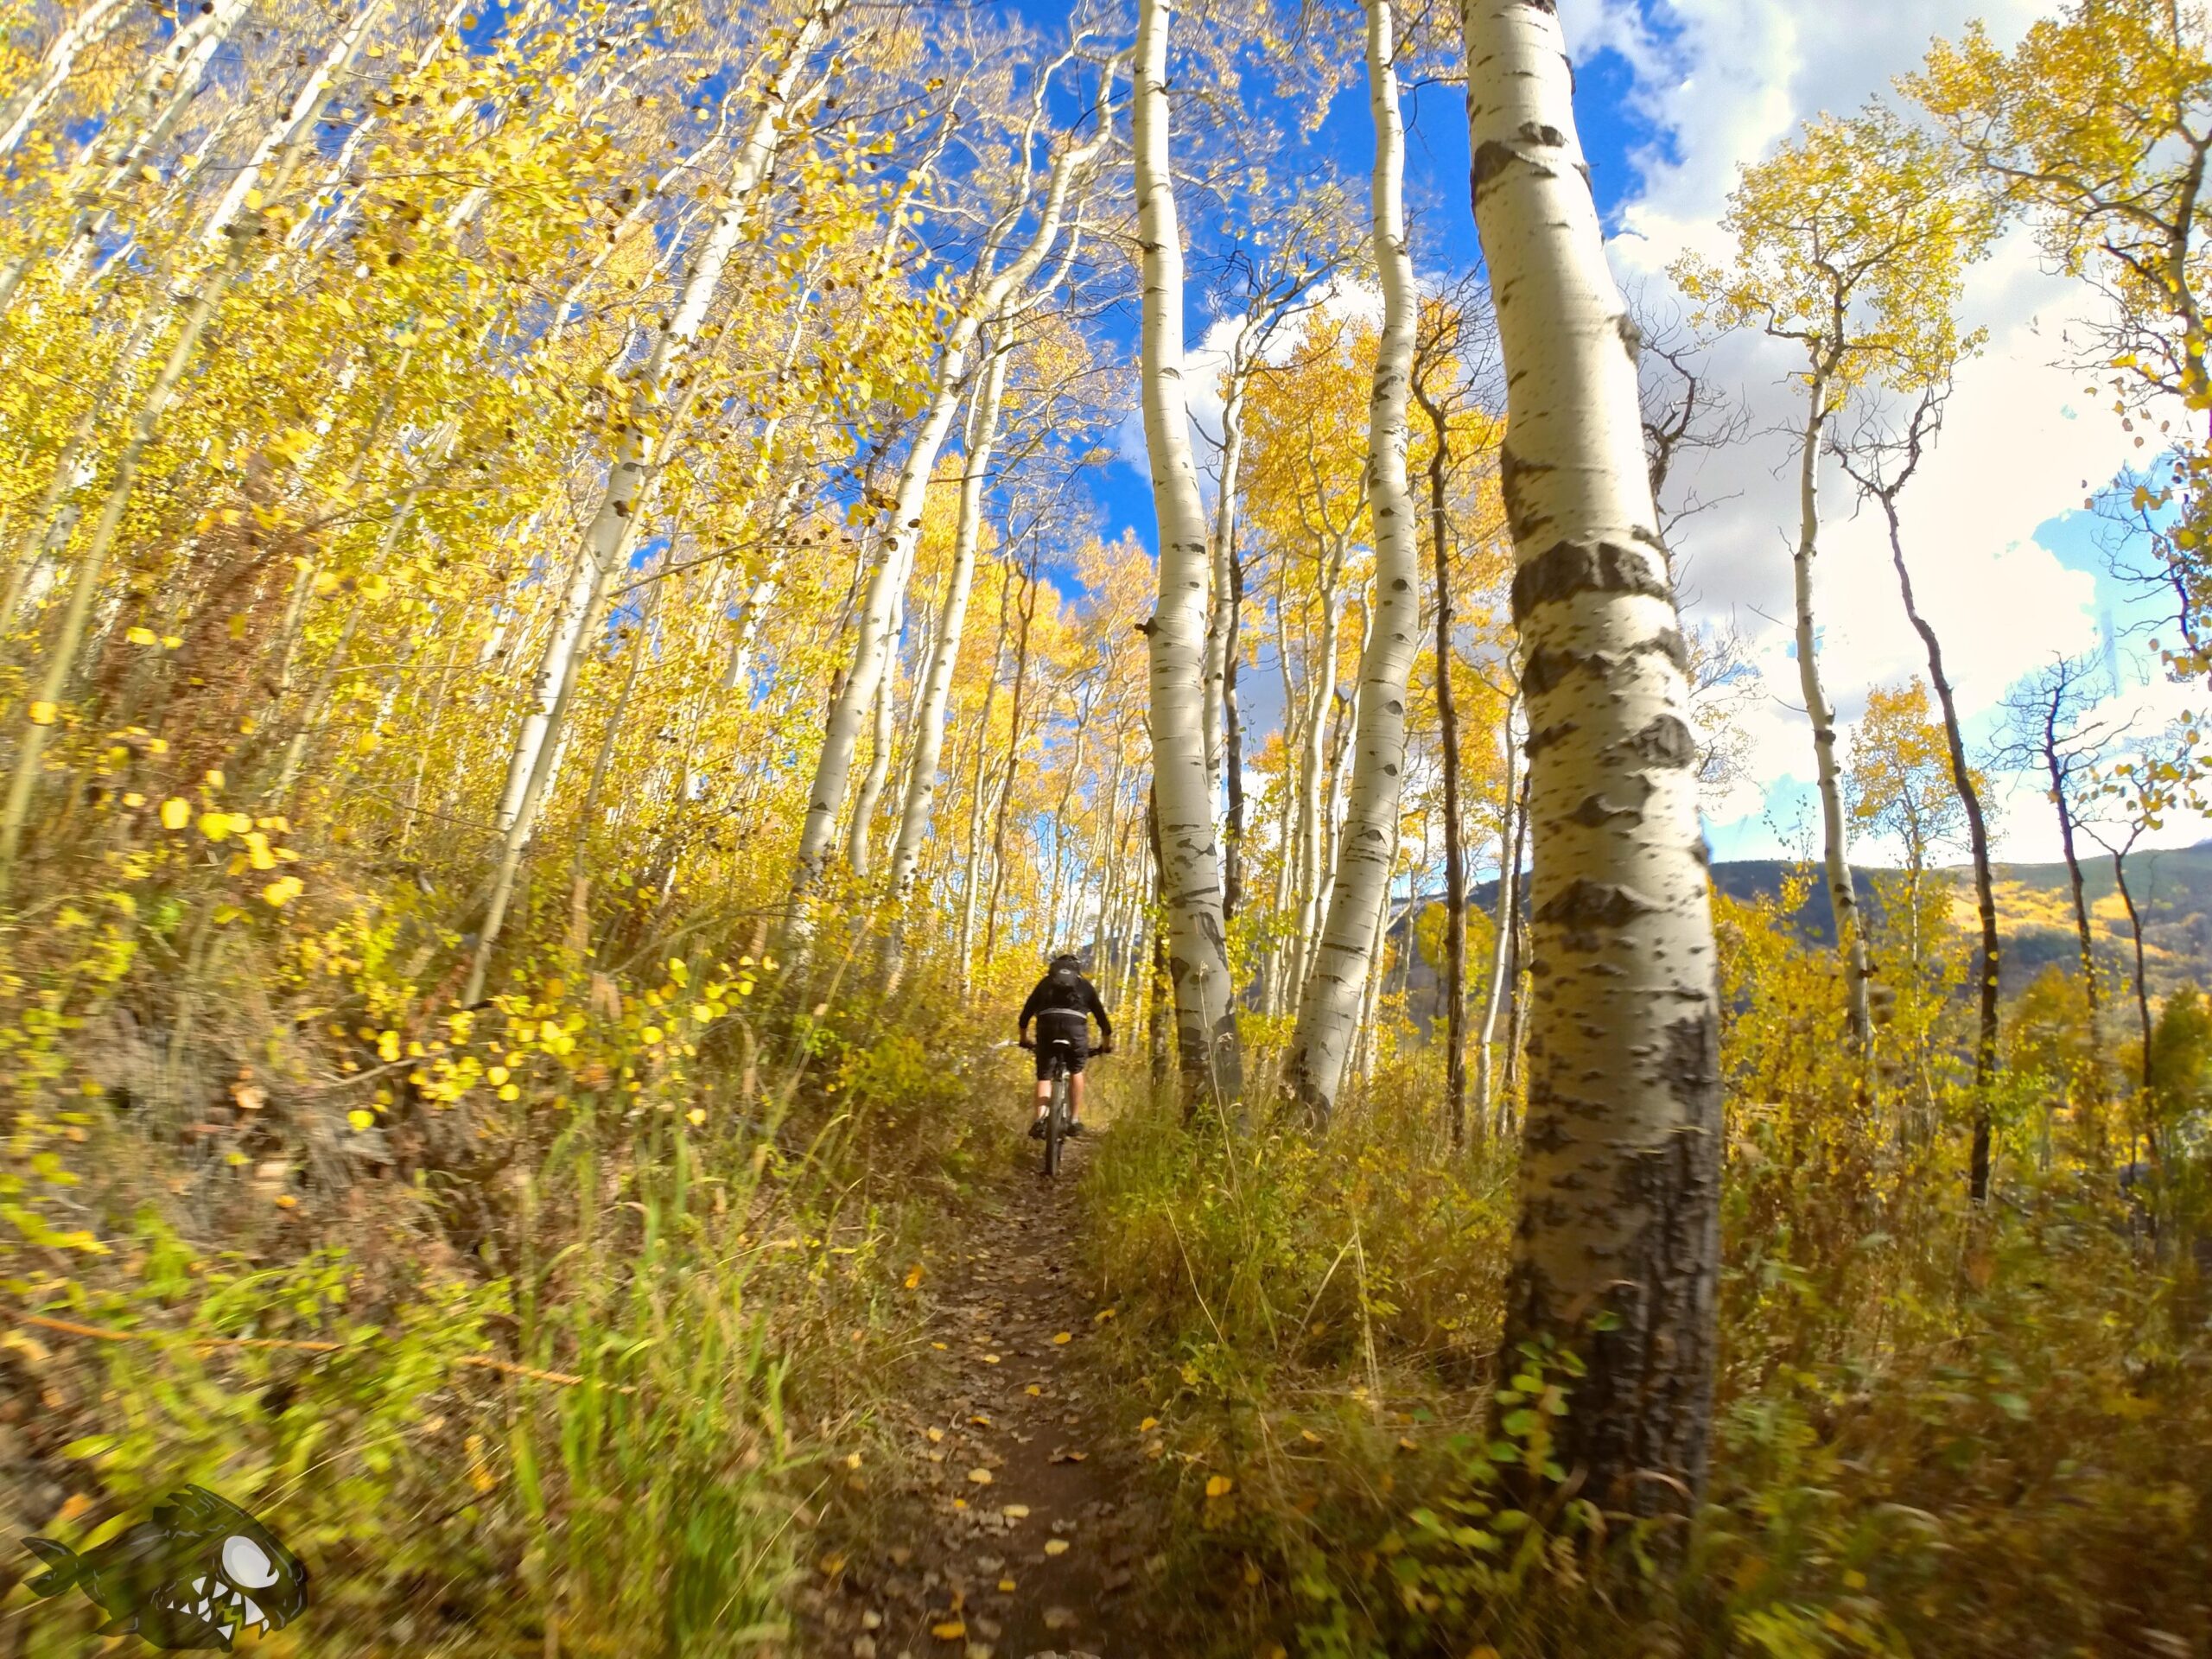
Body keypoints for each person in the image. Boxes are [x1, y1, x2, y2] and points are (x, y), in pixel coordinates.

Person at [1017, 952, 1112, 1138]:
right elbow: (1103, 1022)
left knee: (1045, 1075)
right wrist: (1105, 1045)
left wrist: (1023, 1039)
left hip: (1047, 1027)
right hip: (1075, 1030)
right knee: (1076, 1070)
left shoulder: (1045, 983)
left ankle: (1040, 1121)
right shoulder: (1084, 986)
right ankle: (1074, 1120)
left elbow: (1025, 1015)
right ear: (1078, 969)